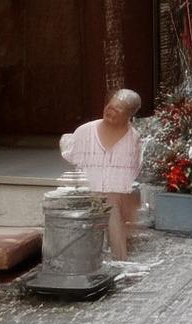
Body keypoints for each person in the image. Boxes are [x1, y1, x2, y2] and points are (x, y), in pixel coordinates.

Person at [60, 89, 143, 261]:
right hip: (87, 193)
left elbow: (133, 169)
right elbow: (71, 154)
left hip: (116, 196)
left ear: (129, 116)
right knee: (102, 208)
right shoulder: (85, 132)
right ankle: (87, 260)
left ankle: (118, 260)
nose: (111, 111)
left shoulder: (133, 138)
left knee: (112, 207)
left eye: (119, 109)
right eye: (110, 106)